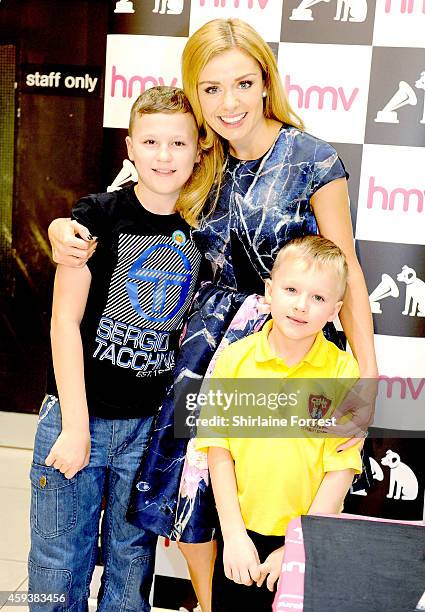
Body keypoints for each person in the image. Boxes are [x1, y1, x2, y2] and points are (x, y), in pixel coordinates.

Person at [47, 18, 377, 611]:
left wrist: (366, 377)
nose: (229, 103)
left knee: (275, 488)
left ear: (266, 82)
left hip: (289, 346)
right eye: (211, 88)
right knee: (189, 488)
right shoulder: (196, 151)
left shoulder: (311, 159)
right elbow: (112, 206)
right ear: (194, 93)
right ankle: (207, 602)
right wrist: (60, 228)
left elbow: (346, 270)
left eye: (244, 84)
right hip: (200, 348)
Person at [28, 86, 204, 611]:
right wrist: (77, 427)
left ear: (199, 151)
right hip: (78, 417)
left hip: (147, 430)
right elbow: (64, 322)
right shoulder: (98, 217)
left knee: (132, 567)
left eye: (178, 143)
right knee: (59, 565)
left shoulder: (201, 230)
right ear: (130, 148)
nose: (164, 155)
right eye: (151, 142)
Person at [196, 235, 362, 611]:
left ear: (335, 309)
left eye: (318, 298)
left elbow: (341, 472)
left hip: (309, 539)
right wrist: (234, 536)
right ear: (269, 292)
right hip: (242, 538)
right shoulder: (235, 360)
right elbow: (218, 450)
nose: (302, 305)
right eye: (291, 289)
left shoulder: (345, 373)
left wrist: (298, 546)